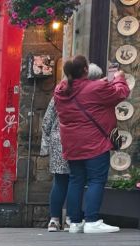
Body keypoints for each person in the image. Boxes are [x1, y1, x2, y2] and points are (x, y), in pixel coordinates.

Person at [53, 55, 130, 234]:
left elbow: (85, 92)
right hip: (95, 142)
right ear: (86, 70)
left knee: (76, 180)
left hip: (72, 144)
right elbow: (120, 93)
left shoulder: (60, 90)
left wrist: (103, 83)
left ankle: (75, 222)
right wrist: (119, 78)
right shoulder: (95, 88)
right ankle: (92, 220)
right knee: (96, 180)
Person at [42, 63, 106, 232]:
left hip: (58, 139)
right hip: (77, 140)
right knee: (76, 180)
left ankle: (54, 220)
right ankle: (72, 219)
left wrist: (45, 145)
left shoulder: (61, 92)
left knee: (60, 181)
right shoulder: (91, 93)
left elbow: (47, 120)